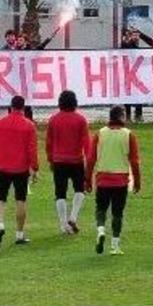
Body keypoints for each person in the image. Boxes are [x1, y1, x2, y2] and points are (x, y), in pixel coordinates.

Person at [86, 105, 141, 255]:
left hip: (103, 179)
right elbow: (135, 161)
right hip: (121, 180)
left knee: (101, 209)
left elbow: (91, 159)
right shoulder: (128, 135)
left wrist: (87, 179)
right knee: (118, 213)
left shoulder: (100, 134)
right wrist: (137, 180)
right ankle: (115, 245)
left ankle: (101, 230)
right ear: (122, 116)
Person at [0, 96, 39, 246]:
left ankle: (0, 225)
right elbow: (32, 149)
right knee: (21, 200)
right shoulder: (29, 125)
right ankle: (19, 234)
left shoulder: (0, 123)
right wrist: (35, 167)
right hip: (21, 168)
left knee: (0, 198)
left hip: (3, 166)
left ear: (10, 106)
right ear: (24, 107)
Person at [46, 90, 90, 235]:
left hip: (58, 161)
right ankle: (73, 217)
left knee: (60, 194)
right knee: (80, 190)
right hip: (76, 160)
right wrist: (89, 160)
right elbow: (86, 143)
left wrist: (50, 159)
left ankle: (63, 224)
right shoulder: (81, 120)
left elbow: (49, 142)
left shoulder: (53, 119)